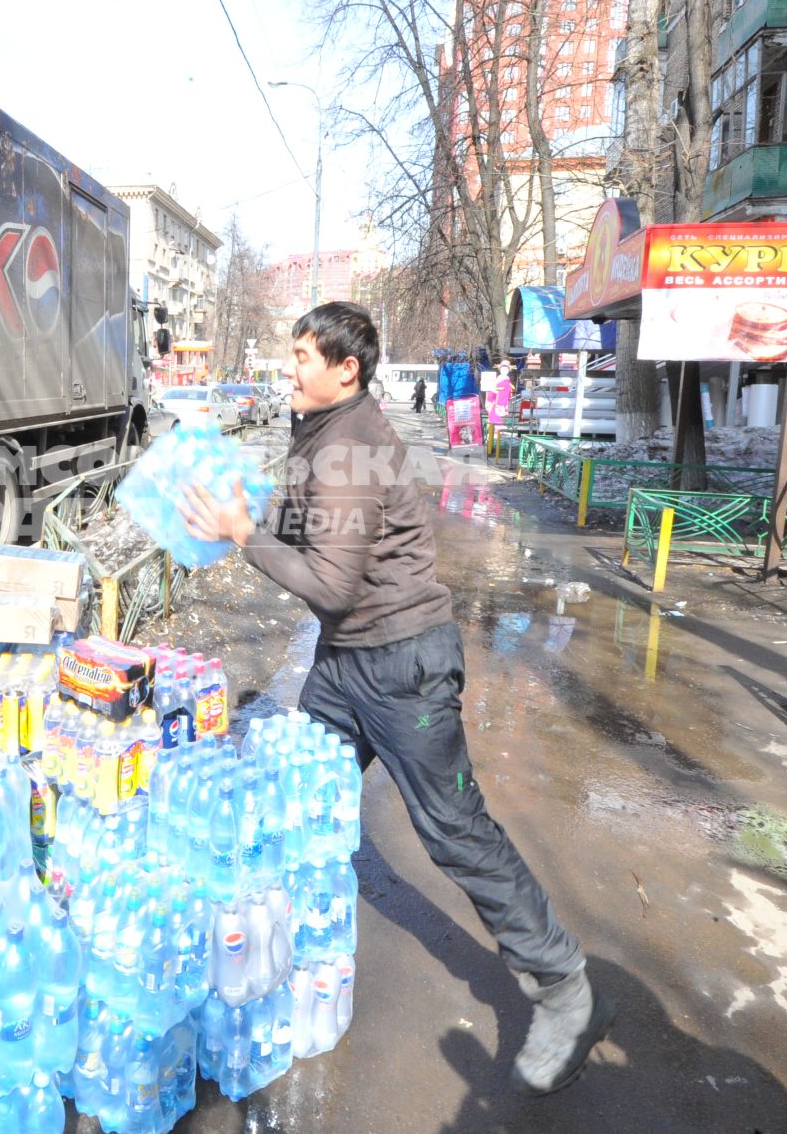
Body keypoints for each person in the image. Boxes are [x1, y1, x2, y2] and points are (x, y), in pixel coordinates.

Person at [181, 301, 613, 1096]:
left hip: (403, 665)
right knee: (290, 794)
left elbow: (332, 582)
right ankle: (268, 960)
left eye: (305, 355)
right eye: (293, 352)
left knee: (454, 829)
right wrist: (239, 517)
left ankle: (565, 987)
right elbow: (308, 525)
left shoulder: (355, 442)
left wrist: (246, 535)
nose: (291, 367)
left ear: (348, 369)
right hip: (348, 663)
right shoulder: (324, 430)